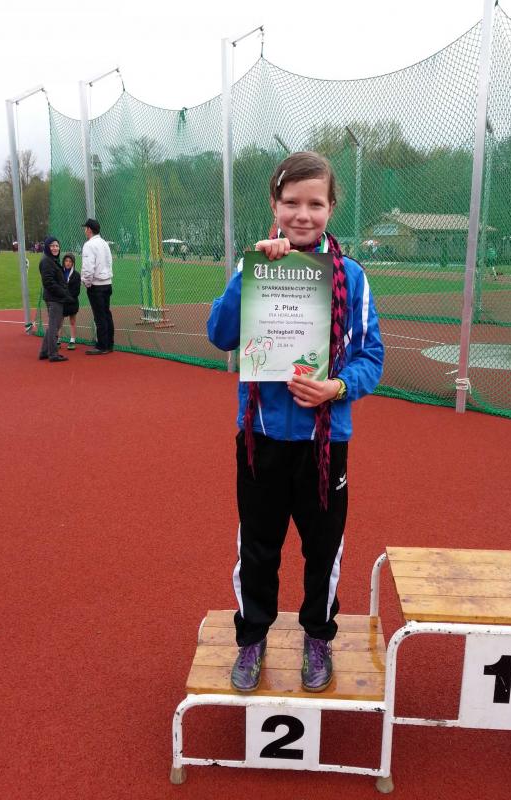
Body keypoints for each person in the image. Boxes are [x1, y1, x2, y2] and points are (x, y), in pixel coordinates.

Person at [207, 152, 385, 693]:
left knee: (322, 548)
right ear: (274, 205)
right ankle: (252, 637)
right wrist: (249, 273)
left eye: (315, 203)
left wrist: (337, 387)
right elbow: (220, 335)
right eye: (291, 202)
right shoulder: (256, 267)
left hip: (324, 443)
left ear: (331, 208)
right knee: (258, 548)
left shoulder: (351, 277)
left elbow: (371, 357)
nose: (302, 214)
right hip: (260, 438)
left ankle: (317, 636)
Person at [81, 218, 114, 355]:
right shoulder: (105, 243)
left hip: (96, 285)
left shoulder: (89, 245)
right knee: (106, 314)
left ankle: (102, 345)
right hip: (107, 283)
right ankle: (109, 343)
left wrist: (87, 282)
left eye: (85, 228)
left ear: (89, 229)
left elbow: (88, 267)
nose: (85, 231)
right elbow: (109, 262)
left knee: (99, 316)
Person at [38, 237, 74, 363]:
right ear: (47, 247)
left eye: (57, 246)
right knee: (54, 326)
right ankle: (53, 353)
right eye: (52, 246)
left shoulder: (52, 260)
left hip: (56, 298)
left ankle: (44, 351)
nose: (55, 248)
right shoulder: (47, 261)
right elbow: (49, 283)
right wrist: (64, 294)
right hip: (54, 299)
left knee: (53, 325)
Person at [60, 252, 81, 350]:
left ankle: (72, 340)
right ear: (63, 262)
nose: (68, 263)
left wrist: (68, 297)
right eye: (66, 261)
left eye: (70, 261)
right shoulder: (60, 273)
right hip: (62, 302)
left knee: (72, 321)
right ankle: (58, 339)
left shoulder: (76, 275)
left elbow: (76, 291)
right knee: (60, 322)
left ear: (73, 263)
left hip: (72, 302)